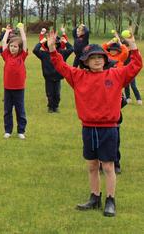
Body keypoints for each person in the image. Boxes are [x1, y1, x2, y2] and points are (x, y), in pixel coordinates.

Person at [47, 30, 141, 217]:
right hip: (88, 128)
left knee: (108, 166)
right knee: (92, 165)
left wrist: (133, 46)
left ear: (105, 59)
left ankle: (110, 200)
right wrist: (51, 48)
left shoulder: (116, 75)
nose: (97, 60)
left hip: (109, 129)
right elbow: (60, 65)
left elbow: (136, 65)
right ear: (85, 61)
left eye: (100, 57)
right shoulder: (78, 76)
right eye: (92, 57)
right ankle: (95, 197)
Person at [0, 23, 29, 139]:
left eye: (15, 47)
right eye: (11, 46)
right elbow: (3, 43)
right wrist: (7, 31)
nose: (12, 48)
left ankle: (21, 131)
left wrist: (21, 29)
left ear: (20, 48)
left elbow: (24, 41)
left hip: (19, 88)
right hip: (8, 88)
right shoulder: (6, 56)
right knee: (7, 110)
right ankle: (8, 130)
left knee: (20, 110)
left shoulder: (22, 56)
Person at [33, 32, 73, 113]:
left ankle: (56, 106)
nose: (53, 46)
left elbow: (71, 49)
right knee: (50, 94)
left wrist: (65, 42)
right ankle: (50, 107)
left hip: (58, 77)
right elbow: (35, 50)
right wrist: (41, 42)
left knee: (57, 94)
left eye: (55, 44)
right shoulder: (44, 54)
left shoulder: (62, 53)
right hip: (48, 78)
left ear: (58, 45)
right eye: (51, 44)